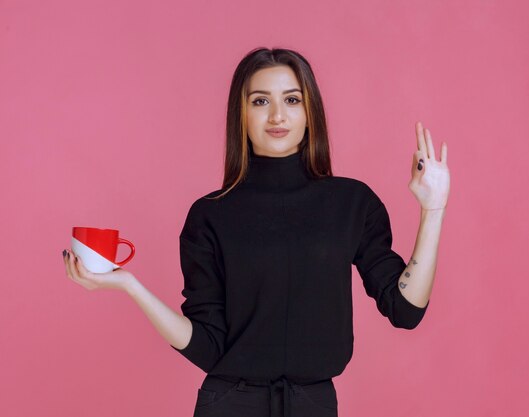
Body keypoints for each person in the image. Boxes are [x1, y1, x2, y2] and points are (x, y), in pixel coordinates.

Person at [62, 47, 450, 417]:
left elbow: (405, 310)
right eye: (260, 101)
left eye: (292, 100)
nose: (277, 116)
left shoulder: (351, 203)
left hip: (313, 405)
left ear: (310, 112)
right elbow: (208, 346)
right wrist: (132, 287)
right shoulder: (209, 215)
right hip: (228, 404)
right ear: (241, 115)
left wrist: (432, 210)